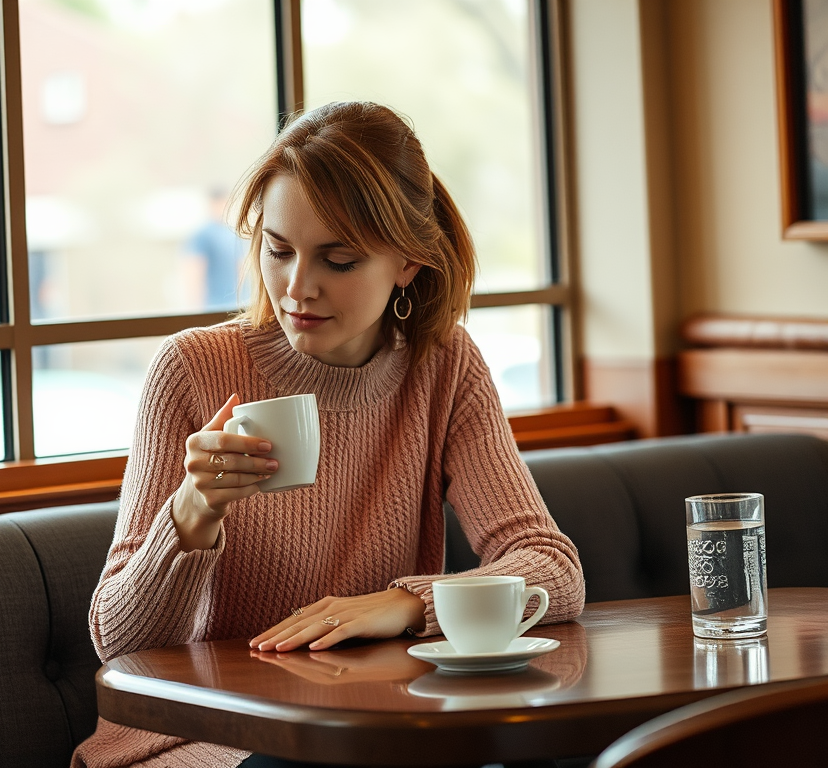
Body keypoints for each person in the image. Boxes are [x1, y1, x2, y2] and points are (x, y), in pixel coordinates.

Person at [72, 101, 585, 768]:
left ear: (407, 262)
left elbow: (553, 569)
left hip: (371, 731)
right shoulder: (193, 368)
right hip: (204, 738)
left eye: (337, 260)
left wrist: (405, 602)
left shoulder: (443, 365)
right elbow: (118, 640)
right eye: (278, 250)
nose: (296, 288)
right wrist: (192, 514)